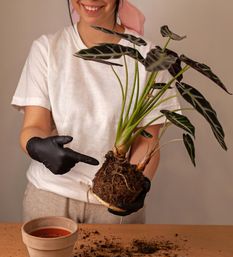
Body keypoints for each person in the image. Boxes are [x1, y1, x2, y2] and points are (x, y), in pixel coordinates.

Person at [11, 0, 180, 224]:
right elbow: (33, 127)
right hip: (49, 198)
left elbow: (147, 139)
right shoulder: (47, 48)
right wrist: (37, 146)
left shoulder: (151, 57)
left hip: (114, 204)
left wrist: (137, 184)